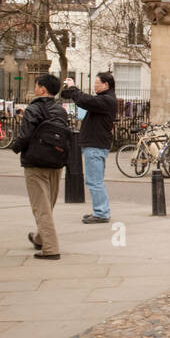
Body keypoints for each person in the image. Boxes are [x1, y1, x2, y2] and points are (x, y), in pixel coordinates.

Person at [12, 73, 71, 261]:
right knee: (48, 204)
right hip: (56, 161)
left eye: (36, 86)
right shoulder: (60, 110)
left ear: (42, 89)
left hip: (35, 162)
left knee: (40, 207)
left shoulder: (33, 109)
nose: (35, 88)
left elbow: (25, 135)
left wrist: (15, 147)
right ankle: (39, 238)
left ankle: (51, 248)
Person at [61, 72, 118, 225]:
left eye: (97, 83)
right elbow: (80, 99)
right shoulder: (104, 99)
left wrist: (74, 88)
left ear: (106, 85)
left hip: (95, 146)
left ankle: (101, 212)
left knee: (95, 181)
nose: (94, 85)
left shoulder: (106, 100)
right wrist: (70, 89)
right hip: (95, 145)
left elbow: (84, 100)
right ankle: (100, 210)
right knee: (95, 180)